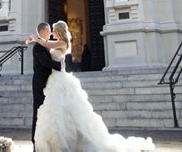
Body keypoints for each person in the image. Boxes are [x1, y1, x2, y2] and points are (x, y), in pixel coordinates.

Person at [26, 20, 154, 152]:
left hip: (59, 79)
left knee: (61, 110)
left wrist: (35, 38)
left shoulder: (62, 43)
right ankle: (50, 141)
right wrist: (37, 39)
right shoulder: (49, 45)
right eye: (50, 30)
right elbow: (46, 49)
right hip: (51, 80)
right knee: (54, 111)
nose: (52, 32)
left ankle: (65, 141)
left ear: (59, 31)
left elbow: (46, 45)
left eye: (53, 30)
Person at [30, 22, 62, 150]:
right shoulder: (38, 47)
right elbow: (44, 62)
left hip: (47, 83)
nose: (50, 33)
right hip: (40, 83)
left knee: (44, 112)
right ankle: (35, 141)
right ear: (42, 32)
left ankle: (44, 140)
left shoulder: (45, 45)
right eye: (48, 31)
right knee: (37, 112)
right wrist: (60, 66)